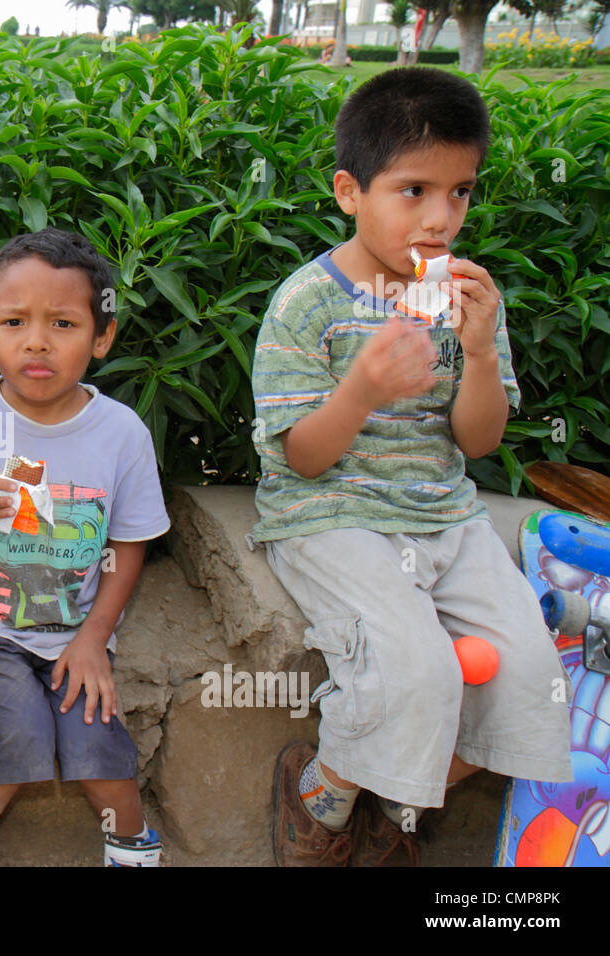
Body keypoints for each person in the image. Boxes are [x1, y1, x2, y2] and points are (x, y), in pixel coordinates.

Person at [250, 67, 573, 866]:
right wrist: (360, 388)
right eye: (414, 191)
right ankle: (322, 794)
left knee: (532, 670)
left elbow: (479, 442)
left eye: (460, 192)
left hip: (442, 512)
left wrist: (477, 351)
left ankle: (395, 805)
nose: (440, 218)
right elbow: (303, 456)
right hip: (330, 516)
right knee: (415, 666)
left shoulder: (466, 297)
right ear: (350, 191)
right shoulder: (308, 303)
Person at [0, 227, 168, 866]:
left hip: (74, 623)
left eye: (62, 322)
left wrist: (93, 638)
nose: (36, 340)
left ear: (102, 337)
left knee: (95, 728)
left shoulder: (120, 433)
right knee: (19, 726)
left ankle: (132, 843)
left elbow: (128, 544)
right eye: (15, 321)